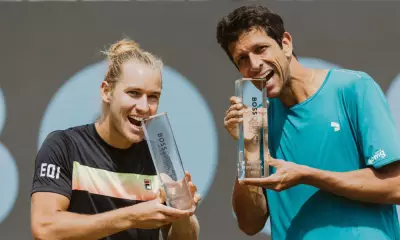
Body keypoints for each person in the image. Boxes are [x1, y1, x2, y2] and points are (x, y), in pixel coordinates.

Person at [217, 5, 400, 240]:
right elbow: (250, 223)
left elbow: (396, 185)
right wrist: (248, 146)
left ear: (285, 43)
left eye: (261, 49)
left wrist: (307, 175)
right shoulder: (257, 120)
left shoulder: (354, 88)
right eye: (242, 58)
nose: (254, 65)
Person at [30, 38, 201, 240]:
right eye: (133, 93)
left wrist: (182, 212)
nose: (144, 107)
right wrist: (131, 217)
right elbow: (45, 228)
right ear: (106, 91)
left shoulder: (159, 155)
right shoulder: (64, 146)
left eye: (153, 96)